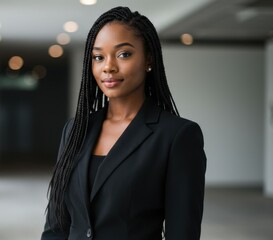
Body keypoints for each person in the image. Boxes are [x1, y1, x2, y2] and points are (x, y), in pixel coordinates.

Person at [41, 6, 206, 240]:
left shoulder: (177, 136)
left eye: (123, 54)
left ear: (148, 58)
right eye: (99, 57)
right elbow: (57, 224)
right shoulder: (75, 130)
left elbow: (182, 233)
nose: (108, 66)